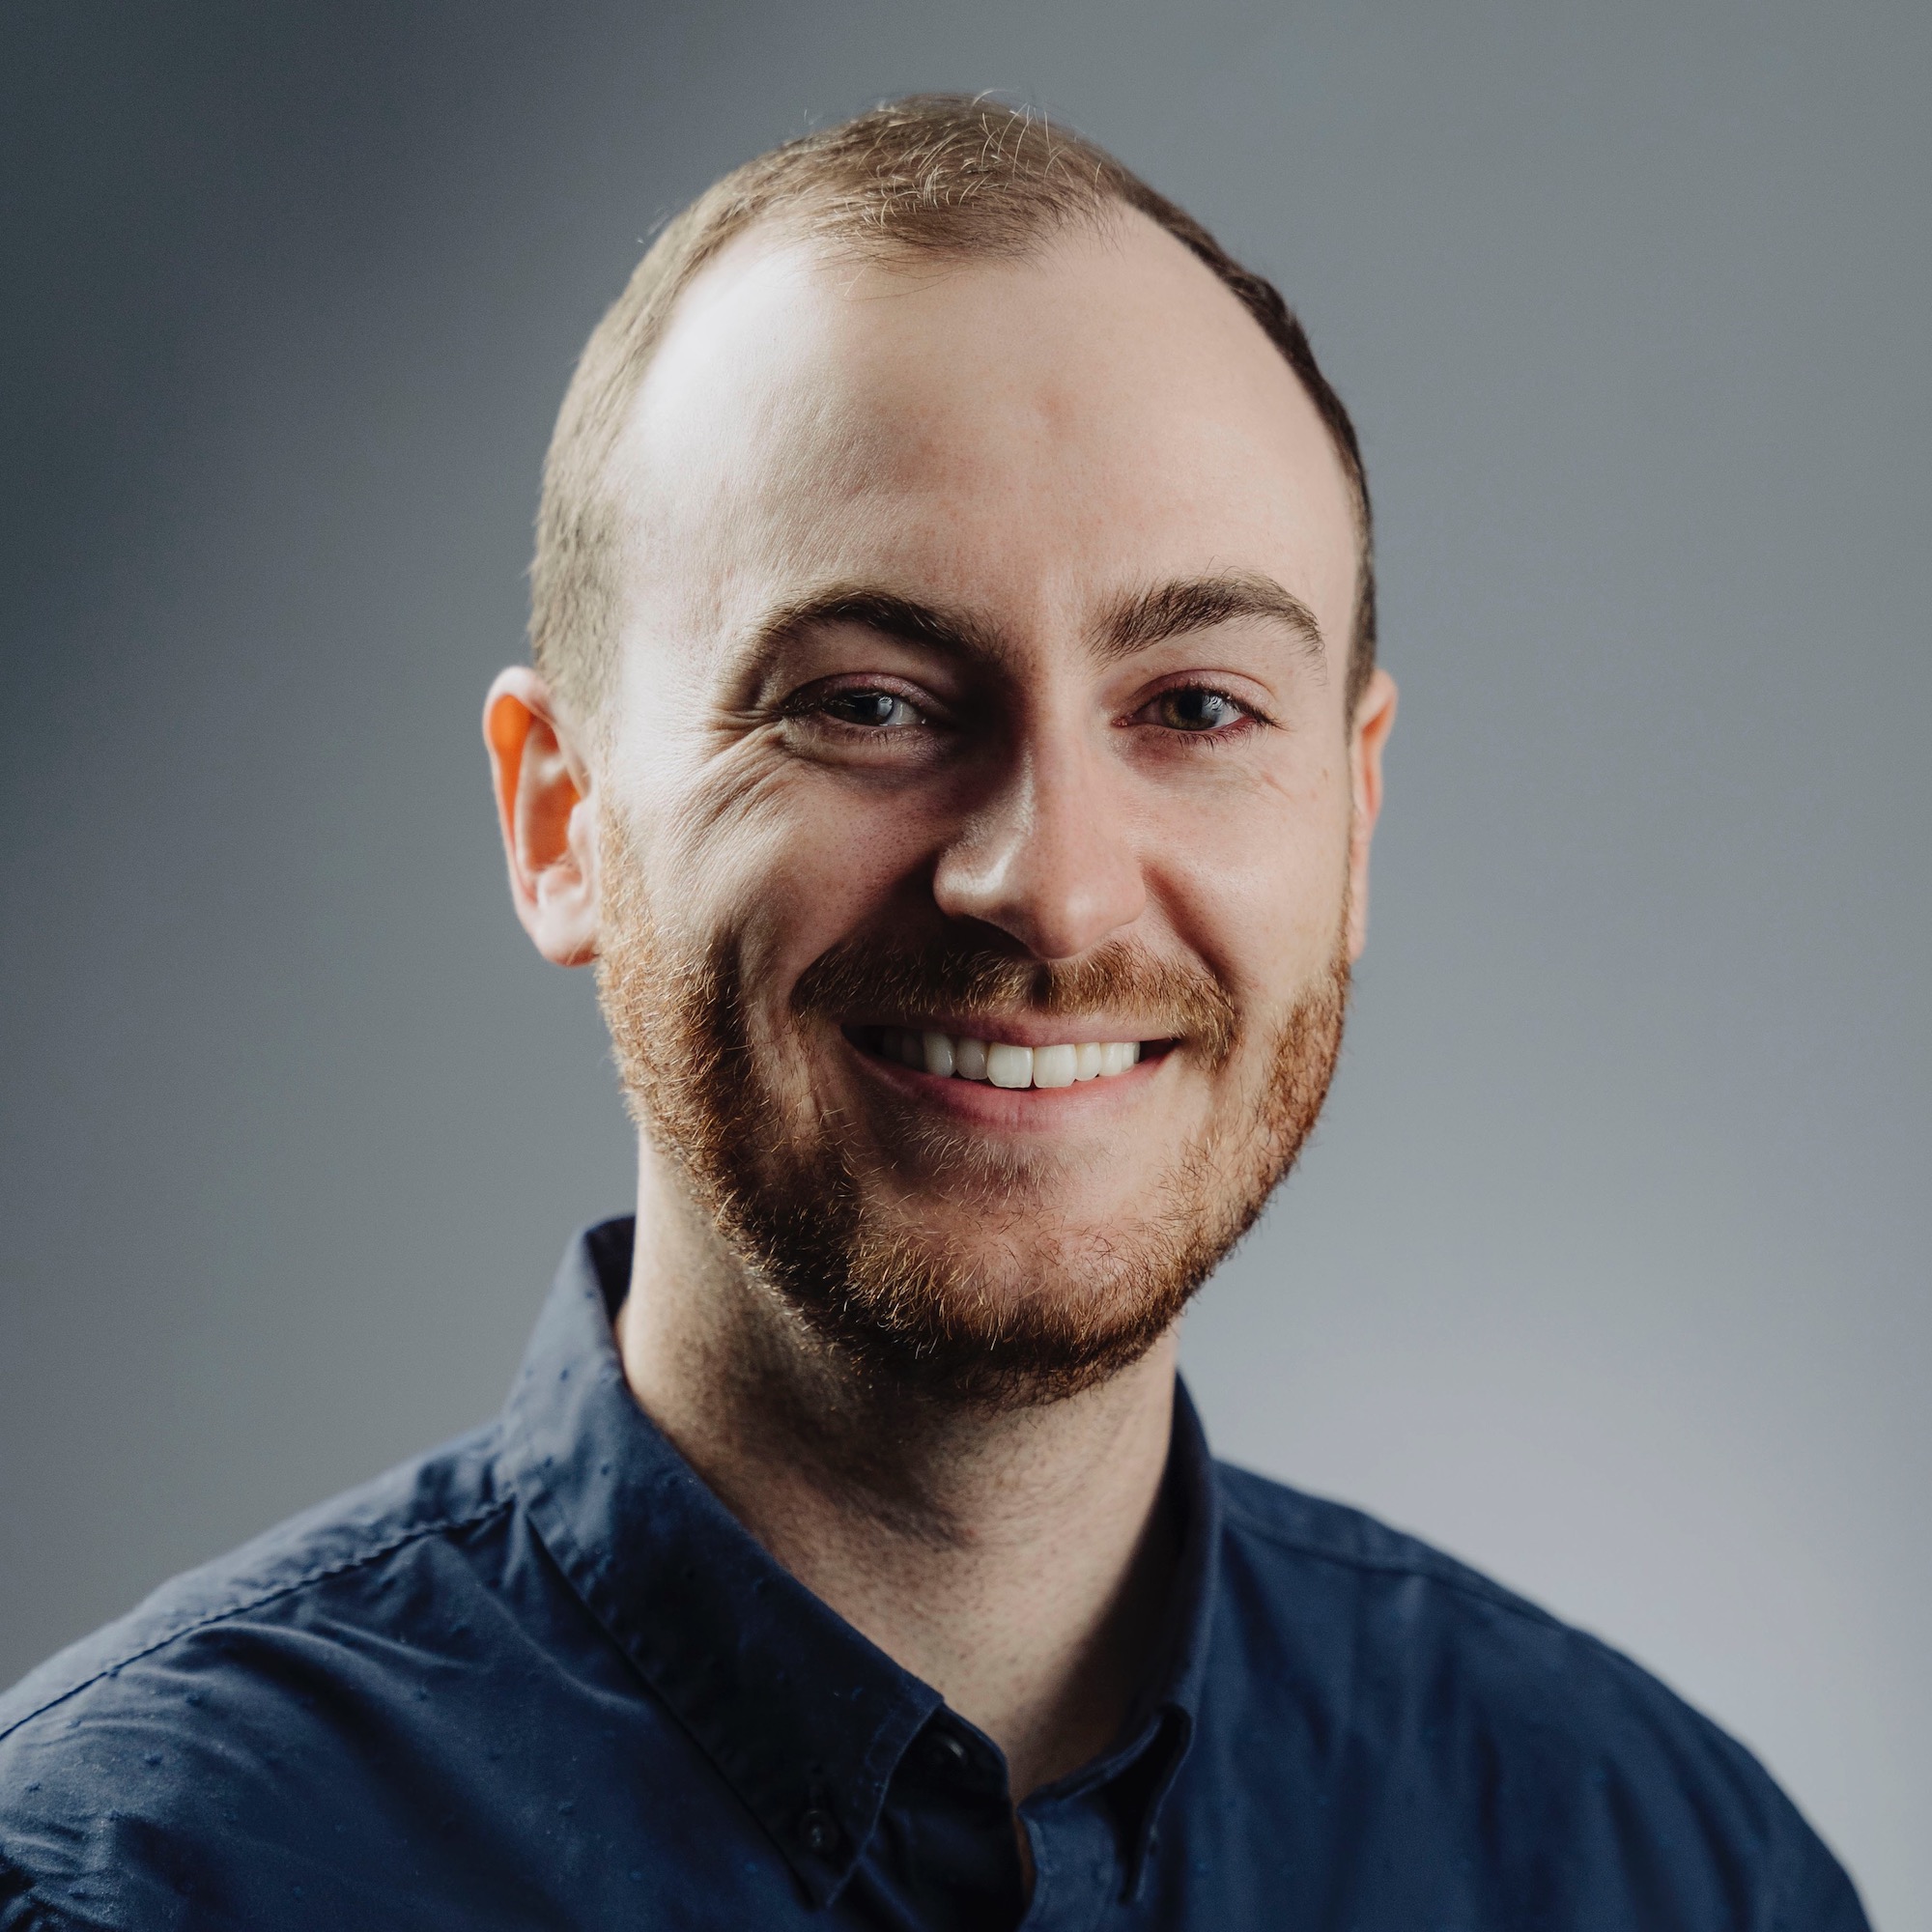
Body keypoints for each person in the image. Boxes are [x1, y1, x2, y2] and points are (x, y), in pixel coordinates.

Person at [0, 95, 1865, 1931]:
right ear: (560, 820)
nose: (1052, 885)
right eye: (869, 702)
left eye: (1197, 707)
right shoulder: (132, 1890)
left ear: (1355, 817)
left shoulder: (1673, 1876)